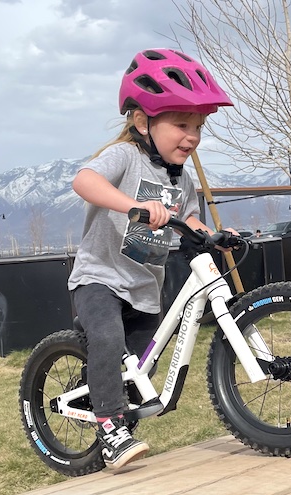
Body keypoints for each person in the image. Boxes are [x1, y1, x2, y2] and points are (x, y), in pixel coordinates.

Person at [67, 48, 233, 469]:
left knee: (141, 369)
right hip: (100, 279)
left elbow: (188, 218)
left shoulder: (181, 177)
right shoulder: (126, 157)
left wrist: (215, 236)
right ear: (143, 121)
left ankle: (116, 417)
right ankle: (108, 426)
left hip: (144, 290)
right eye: (181, 124)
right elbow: (83, 180)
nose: (192, 136)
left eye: (198, 126)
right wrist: (131, 206)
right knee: (108, 338)